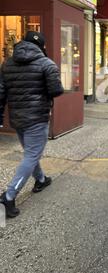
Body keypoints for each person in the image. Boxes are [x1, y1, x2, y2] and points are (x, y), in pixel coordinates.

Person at [0, 31, 64, 218]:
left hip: (17, 118)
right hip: (36, 118)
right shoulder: (47, 64)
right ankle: (9, 196)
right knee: (31, 155)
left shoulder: (7, 64)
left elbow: (1, 93)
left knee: (30, 152)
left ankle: (41, 180)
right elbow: (56, 90)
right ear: (41, 47)